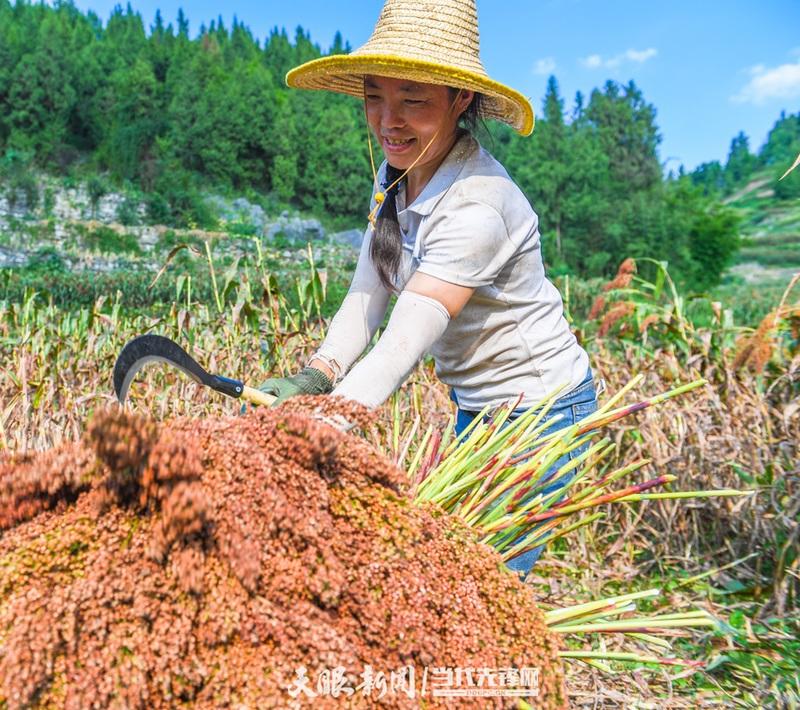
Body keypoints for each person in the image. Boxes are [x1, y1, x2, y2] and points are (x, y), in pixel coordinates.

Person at [259, 0, 598, 577]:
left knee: (478, 585)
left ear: (459, 99)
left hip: (539, 413)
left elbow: (401, 342)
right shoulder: (394, 173)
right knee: (448, 564)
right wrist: (317, 375)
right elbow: (368, 292)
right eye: (375, 97)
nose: (389, 120)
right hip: (476, 405)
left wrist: (325, 423)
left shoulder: (479, 204)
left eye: (413, 100)